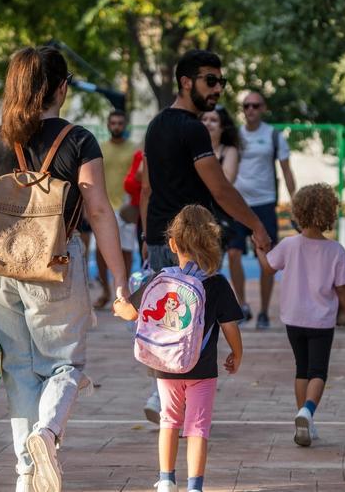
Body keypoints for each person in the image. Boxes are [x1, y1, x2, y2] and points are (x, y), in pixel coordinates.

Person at [0, 46, 131, 492]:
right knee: (65, 365)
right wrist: (118, 281)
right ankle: (47, 434)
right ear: (61, 88)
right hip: (55, 266)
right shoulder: (79, 141)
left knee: (18, 369)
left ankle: (25, 472)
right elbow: (98, 210)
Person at [139, 49, 271, 424]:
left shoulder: (156, 125)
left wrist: (148, 238)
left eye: (220, 82)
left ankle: (162, 396)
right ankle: (174, 403)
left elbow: (149, 189)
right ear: (186, 82)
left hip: (160, 241)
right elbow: (221, 190)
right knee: (196, 325)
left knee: (168, 323)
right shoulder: (192, 129)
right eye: (210, 81)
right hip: (189, 245)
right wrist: (257, 227)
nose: (217, 89)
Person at [144, 205, 244, 492]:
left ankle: (166, 479)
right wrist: (237, 354)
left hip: (166, 367)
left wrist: (120, 304)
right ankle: (195, 486)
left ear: (172, 243)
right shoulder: (217, 283)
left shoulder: (161, 278)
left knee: (169, 420)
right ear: (210, 242)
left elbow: (133, 311)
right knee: (198, 427)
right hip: (203, 368)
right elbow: (230, 327)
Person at [256, 183, 345, 448]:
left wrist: (260, 249)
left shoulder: (289, 245)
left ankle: (305, 422)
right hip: (321, 321)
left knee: (301, 368)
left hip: (293, 319)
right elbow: (343, 290)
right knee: (318, 371)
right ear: (329, 213)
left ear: (297, 212)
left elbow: (268, 268)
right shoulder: (336, 251)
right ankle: (308, 412)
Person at [230, 91, 297, 329]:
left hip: (265, 203)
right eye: (246, 105)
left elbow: (287, 171)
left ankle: (264, 312)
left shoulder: (274, 135)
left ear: (263, 108)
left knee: (267, 260)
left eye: (255, 106)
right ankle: (242, 306)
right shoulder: (234, 136)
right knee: (233, 254)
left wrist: (294, 202)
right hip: (237, 203)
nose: (250, 110)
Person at [95, 110, 138, 308]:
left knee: (126, 251)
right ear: (108, 125)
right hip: (105, 206)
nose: (117, 126)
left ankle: (123, 292)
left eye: (120, 123)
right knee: (100, 252)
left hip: (126, 207)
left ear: (125, 125)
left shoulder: (134, 149)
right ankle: (105, 291)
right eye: (113, 123)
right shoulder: (100, 149)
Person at [200, 106, 240, 183]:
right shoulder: (190, 146)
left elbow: (227, 181)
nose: (207, 123)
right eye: (204, 119)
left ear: (223, 127)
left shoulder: (230, 151)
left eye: (213, 120)